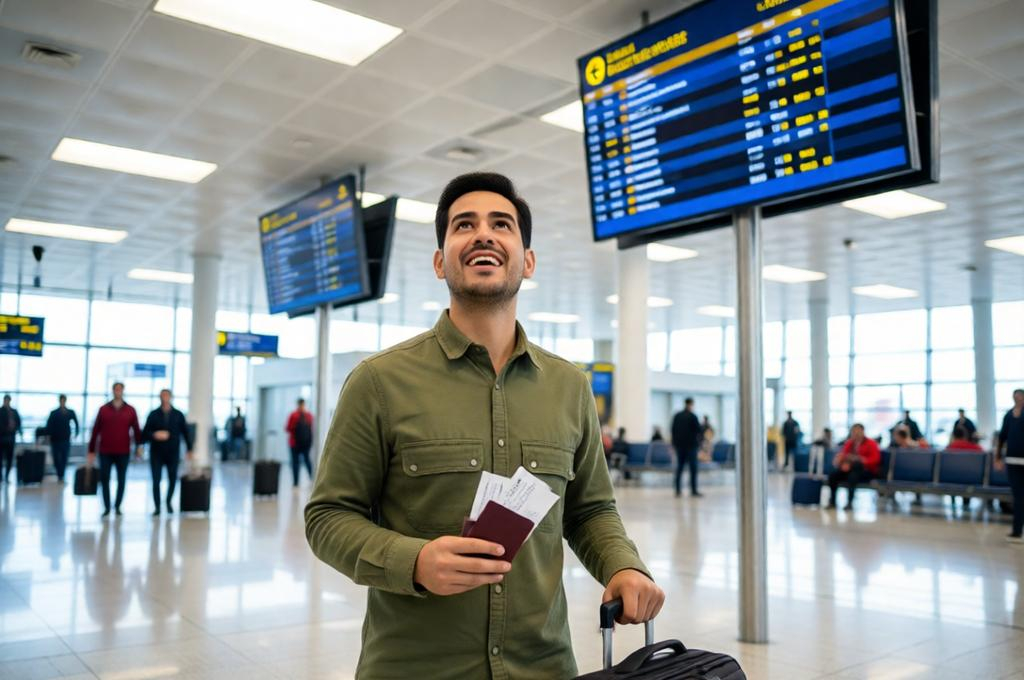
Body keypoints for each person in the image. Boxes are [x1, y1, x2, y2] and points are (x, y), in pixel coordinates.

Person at [305, 172, 663, 678]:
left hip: (543, 666)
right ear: (439, 261)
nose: (483, 234)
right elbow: (327, 518)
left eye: (502, 224)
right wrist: (414, 560)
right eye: (463, 225)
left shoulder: (569, 386)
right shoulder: (379, 382)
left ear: (528, 260)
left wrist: (623, 565)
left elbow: (589, 510)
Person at [87, 383, 142, 517]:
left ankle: (117, 506)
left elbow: (136, 430)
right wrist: (91, 450)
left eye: (120, 389)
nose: (118, 391)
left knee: (121, 479)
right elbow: (95, 430)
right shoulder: (103, 409)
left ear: (123, 391)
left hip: (123, 451)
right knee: (105, 479)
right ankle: (106, 507)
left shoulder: (130, 410)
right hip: (105, 450)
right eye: (116, 389)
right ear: (113, 391)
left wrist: (139, 446)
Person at [142, 389, 193, 516]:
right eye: (162, 395)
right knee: (156, 480)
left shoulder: (178, 414)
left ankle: (169, 502)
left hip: (172, 452)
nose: (164, 398)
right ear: (160, 397)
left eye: (167, 395)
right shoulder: (153, 414)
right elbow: (145, 433)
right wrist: (154, 434)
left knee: (172, 479)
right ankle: (157, 506)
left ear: (171, 397)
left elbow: (186, 433)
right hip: (156, 453)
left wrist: (189, 448)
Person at [828, 423, 881, 510]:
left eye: (858, 431)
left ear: (863, 432)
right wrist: (842, 462)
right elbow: (844, 455)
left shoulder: (871, 443)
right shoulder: (849, 443)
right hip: (851, 469)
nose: (855, 434)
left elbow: (875, 460)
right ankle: (832, 502)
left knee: (854, 471)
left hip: (866, 471)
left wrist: (861, 459)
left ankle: (849, 502)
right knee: (833, 475)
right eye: (853, 432)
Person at [994, 388, 1024, 542]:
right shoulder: (1008, 415)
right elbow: (1001, 437)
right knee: (1018, 497)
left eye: (1020, 396)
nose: (1017, 399)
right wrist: (997, 457)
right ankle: (1017, 531)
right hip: (1012, 461)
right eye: (1015, 397)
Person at [671, 397, 702, 498]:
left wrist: (674, 444)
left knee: (679, 468)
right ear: (691, 404)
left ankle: (678, 490)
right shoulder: (693, 416)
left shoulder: (677, 416)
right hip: (691, 446)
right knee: (693, 468)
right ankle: (693, 490)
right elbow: (699, 431)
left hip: (679, 446)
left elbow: (673, 430)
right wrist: (699, 444)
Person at [45, 394, 79, 483]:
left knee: (64, 457)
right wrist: (48, 436)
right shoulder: (54, 413)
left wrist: (76, 433)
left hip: (66, 439)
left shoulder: (70, 412)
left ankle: (61, 475)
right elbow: (49, 425)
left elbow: (76, 423)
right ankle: (59, 473)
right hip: (55, 439)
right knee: (56, 458)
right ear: (59, 401)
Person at [285, 399, 314, 487]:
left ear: (298, 404)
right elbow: (311, 429)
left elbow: (288, 428)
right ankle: (312, 479)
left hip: (294, 443)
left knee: (295, 463)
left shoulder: (293, 415)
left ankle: (296, 482)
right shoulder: (309, 415)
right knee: (307, 461)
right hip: (305, 443)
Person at [0, 394, 22, 484]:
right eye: (6, 400)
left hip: (11, 438)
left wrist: (17, 430)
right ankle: (1, 477)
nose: (7, 402)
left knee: (9, 458)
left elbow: (19, 423)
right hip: (1, 438)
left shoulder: (14, 411)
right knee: (0, 458)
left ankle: (6, 476)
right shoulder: (0, 411)